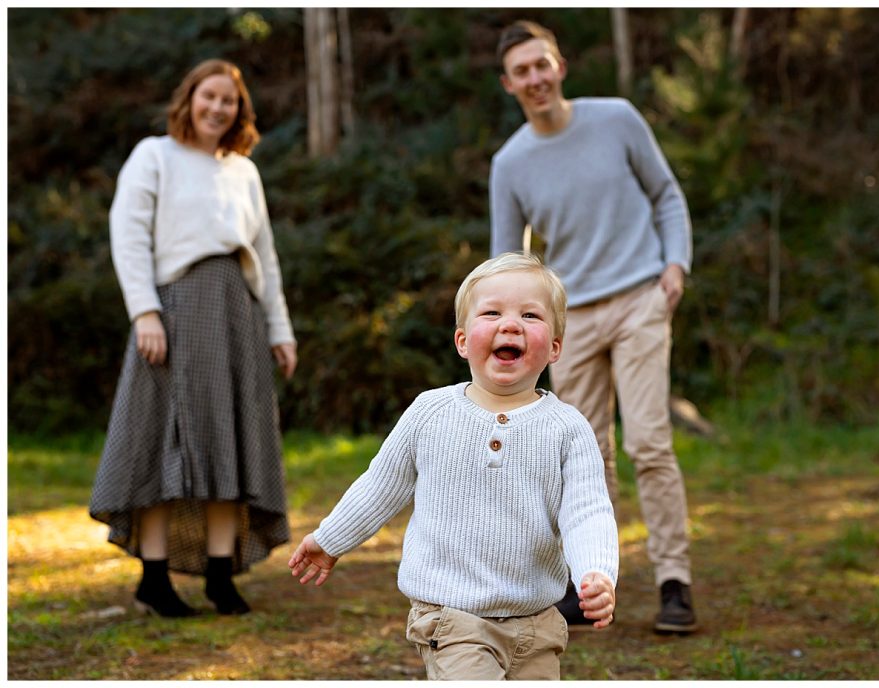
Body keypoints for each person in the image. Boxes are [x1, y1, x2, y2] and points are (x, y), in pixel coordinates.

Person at [288, 252, 618, 680]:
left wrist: (597, 572)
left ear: (554, 347)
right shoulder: (430, 412)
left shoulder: (568, 429)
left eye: (531, 315)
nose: (511, 324)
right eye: (493, 312)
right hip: (453, 617)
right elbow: (380, 486)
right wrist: (330, 538)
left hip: (538, 623)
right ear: (462, 340)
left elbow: (587, 511)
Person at [489, 20, 697, 635]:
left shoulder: (617, 119)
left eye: (542, 65)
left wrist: (675, 264)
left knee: (650, 445)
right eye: (521, 71)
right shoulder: (510, 163)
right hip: (570, 320)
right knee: (587, 460)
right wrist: (521, 327)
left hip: (639, 299)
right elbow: (510, 262)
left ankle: (674, 583)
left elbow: (667, 195)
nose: (535, 79)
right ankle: (589, 584)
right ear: (508, 84)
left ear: (561, 66)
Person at [89, 59, 298, 618]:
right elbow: (128, 237)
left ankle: (219, 577)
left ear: (239, 109)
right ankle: (154, 580)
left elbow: (266, 258)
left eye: (228, 100)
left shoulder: (243, 171)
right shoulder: (153, 155)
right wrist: (144, 313)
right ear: (189, 99)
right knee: (162, 440)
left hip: (237, 310)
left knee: (230, 438)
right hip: (173, 311)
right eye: (209, 96)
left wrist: (279, 329)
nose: (217, 107)